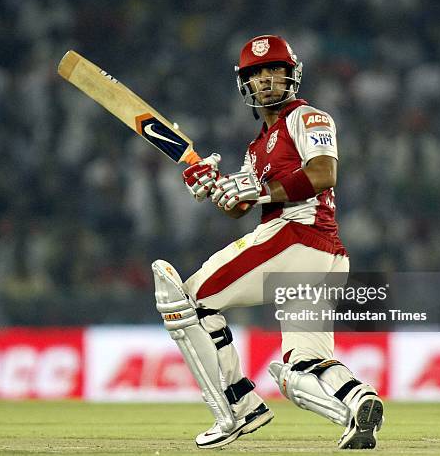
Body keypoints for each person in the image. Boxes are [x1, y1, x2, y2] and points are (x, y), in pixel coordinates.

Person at [152, 34, 384, 450]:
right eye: (257, 73)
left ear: (292, 75)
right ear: (246, 83)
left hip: (296, 236)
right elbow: (239, 208)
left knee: (186, 303)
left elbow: (323, 174)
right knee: (300, 368)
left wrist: (257, 193)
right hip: (322, 255)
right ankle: (357, 402)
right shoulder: (255, 148)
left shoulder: (308, 117)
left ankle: (237, 408)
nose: (267, 79)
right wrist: (213, 188)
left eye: (275, 69)